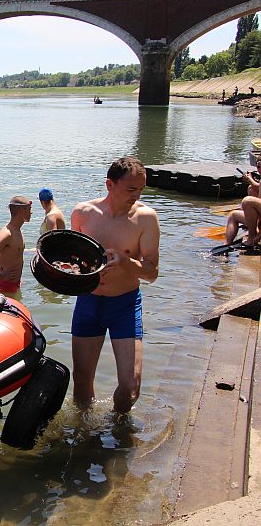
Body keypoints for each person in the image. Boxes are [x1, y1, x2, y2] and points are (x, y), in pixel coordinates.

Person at [70, 157, 160, 414]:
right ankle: (85, 430)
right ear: (110, 184)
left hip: (125, 304)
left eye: (141, 189)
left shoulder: (146, 219)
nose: (137, 195)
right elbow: (73, 259)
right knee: (81, 380)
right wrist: (69, 270)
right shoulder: (83, 213)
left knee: (130, 387)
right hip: (88, 302)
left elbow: (152, 273)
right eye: (131, 189)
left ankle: (118, 424)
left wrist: (124, 261)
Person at [0, 196, 32, 295]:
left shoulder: (17, 230)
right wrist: (1, 277)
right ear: (22, 211)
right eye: (29, 209)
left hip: (14, 284)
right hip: (4, 287)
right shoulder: (7, 234)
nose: (31, 213)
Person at [225, 163, 260, 244]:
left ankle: (251, 237)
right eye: (258, 167)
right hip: (258, 220)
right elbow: (256, 187)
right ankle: (226, 244)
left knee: (247, 201)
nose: (260, 169)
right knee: (233, 215)